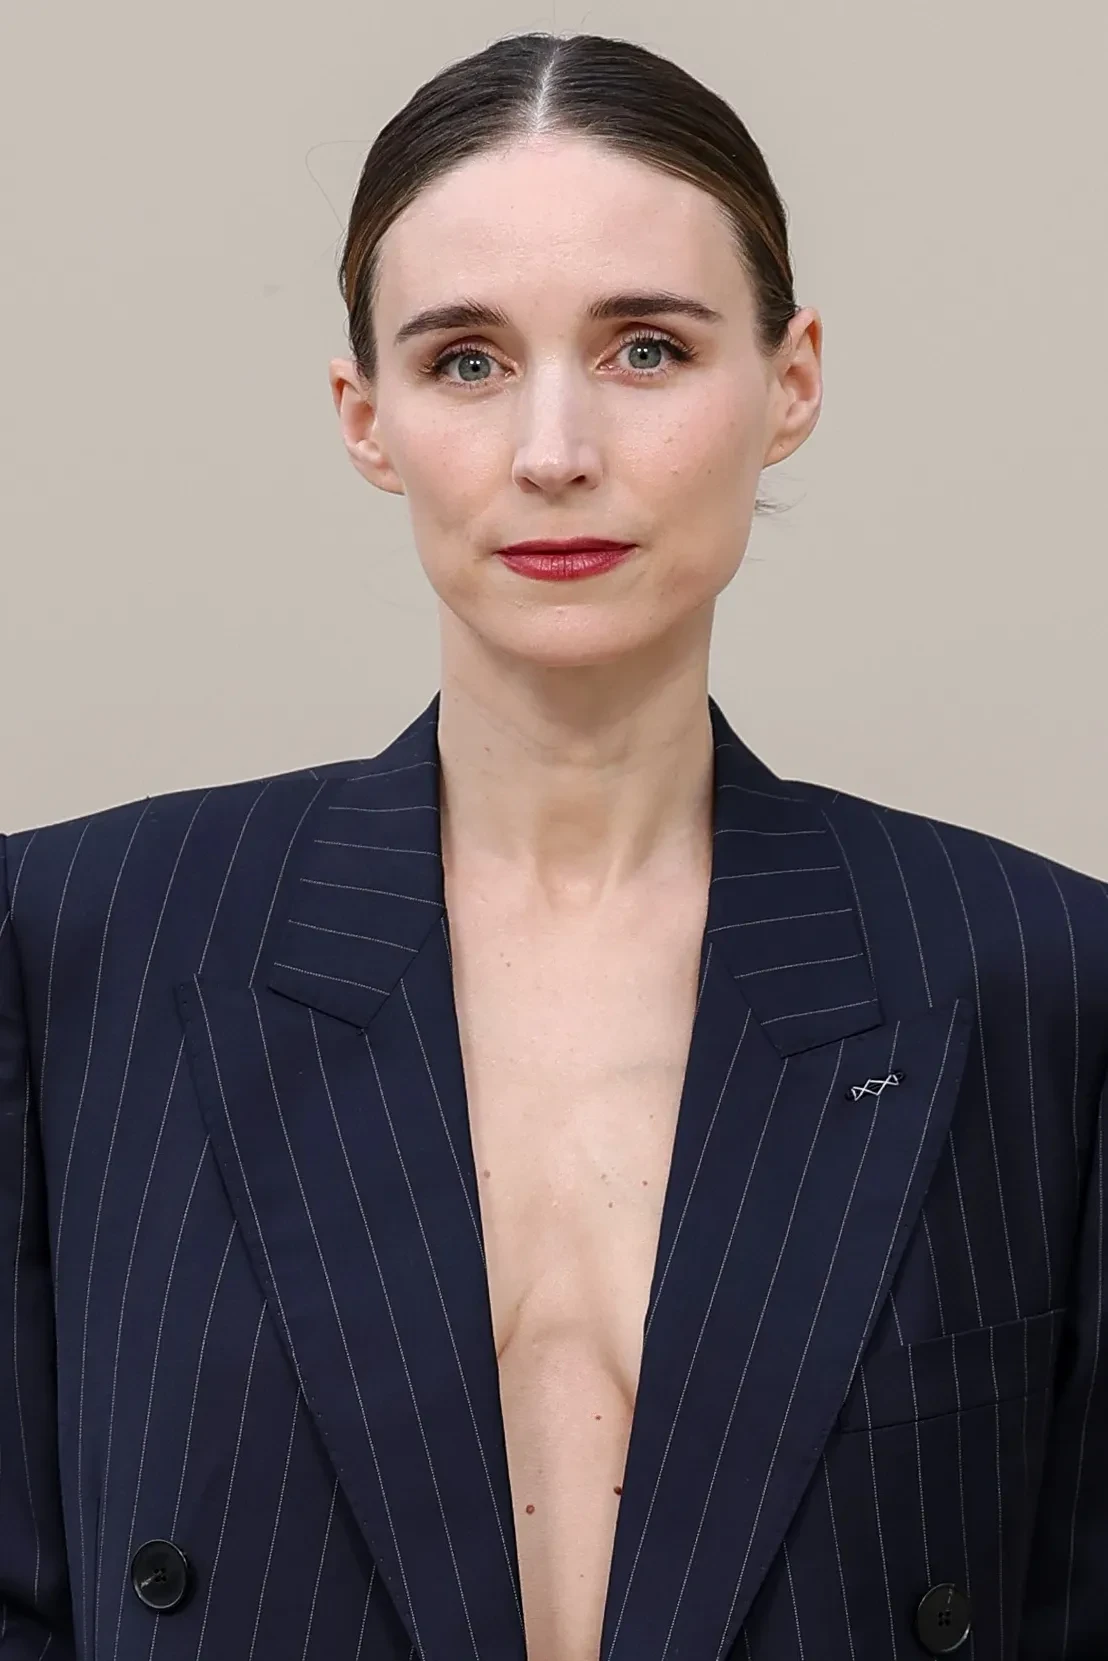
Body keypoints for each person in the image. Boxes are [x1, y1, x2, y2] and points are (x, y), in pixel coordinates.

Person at [1, 28, 1105, 1661]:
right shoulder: (73, 948)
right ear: (365, 416)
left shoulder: (1041, 981)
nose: (555, 449)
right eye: (466, 361)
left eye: (647, 348)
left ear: (791, 381)